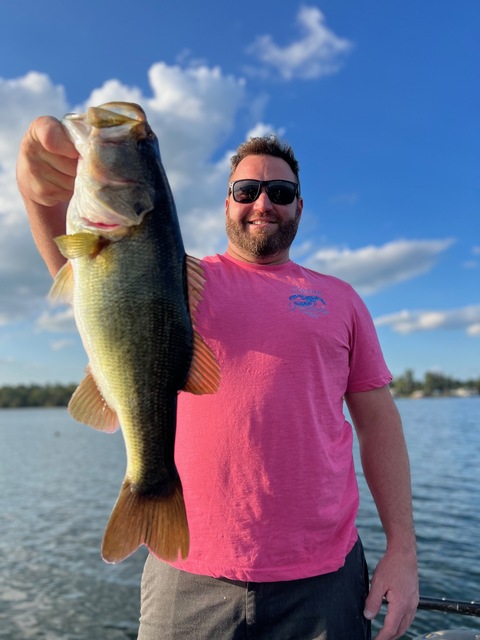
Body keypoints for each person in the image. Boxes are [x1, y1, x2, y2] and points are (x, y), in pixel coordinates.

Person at [17, 115, 419, 640]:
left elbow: (379, 423)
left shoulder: (342, 300)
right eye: (247, 189)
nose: (263, 202)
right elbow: (91, 283)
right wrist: (32, 185)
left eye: (280, 191)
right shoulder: (177, 280)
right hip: (186, 576)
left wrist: (402, 551)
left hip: (325, 578)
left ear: (299, 205)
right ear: (227, 203)